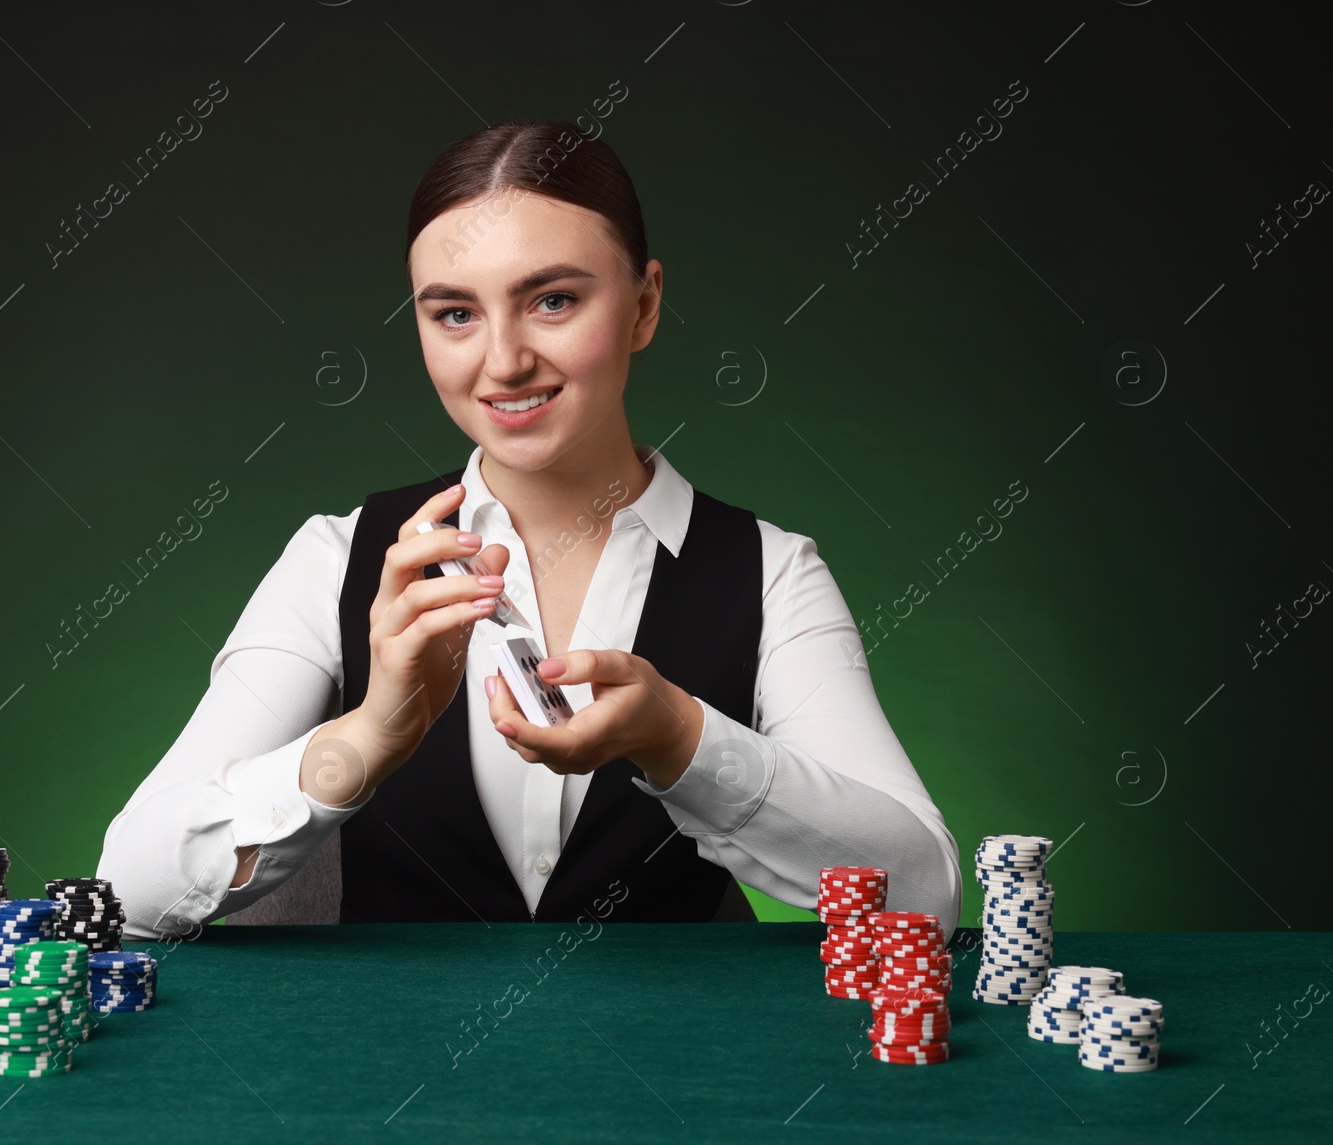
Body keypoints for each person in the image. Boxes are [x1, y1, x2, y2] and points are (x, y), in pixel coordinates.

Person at [98, 121, 962, 938]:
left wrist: (684, 739)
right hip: (392, 1087)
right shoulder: (337, 557)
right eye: (455, 314)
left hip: (679, 1086)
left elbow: (925, 893)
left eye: (552, 300)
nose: (503, 361)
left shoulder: (771, 573)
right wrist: (367, 735)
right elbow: (131, 886)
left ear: (644, 305)